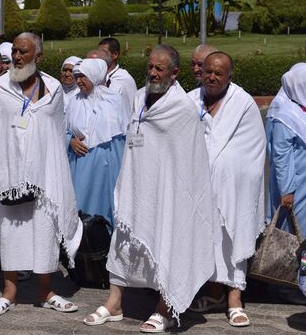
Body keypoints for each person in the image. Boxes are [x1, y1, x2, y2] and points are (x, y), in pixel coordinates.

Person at [84, 45, 215, 333]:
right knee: (123, 243)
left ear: (175, 73)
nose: (153, 73)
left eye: (160, 69)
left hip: (169, 194)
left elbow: (189, 163)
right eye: (150, 67)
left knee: (167, 242)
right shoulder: (140, 98)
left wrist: (177, 194)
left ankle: (165, 307)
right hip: (136, 186)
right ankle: (115, 303)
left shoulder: (182, 107)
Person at [0, 32, 83, 316]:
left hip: (44, 177)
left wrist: (54, 175)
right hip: (9, 177)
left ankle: (46, 291)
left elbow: (56, 133)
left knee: (45, 233)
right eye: (16, 53)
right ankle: (9, 292)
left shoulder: (55, 88)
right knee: (11, 234)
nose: (18, 57)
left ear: (38, 56)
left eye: (24, 52)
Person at [187, 51, 266, 327]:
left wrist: (225, 170)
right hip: (199, 188)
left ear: (229, 76)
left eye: (218, 73)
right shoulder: (190, 100)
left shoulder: (242, 103)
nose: (212, 77)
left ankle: (235, 300)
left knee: (234, 239)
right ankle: (213, 293)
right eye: (208, 71)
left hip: (235, 189)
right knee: (206, 241)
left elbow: (253, 149)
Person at [266, 63, 306, 242]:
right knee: (298, 233)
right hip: (298, 187)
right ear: (301, 84)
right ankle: (302, 269)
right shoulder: (283, 115)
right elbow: (281, 155)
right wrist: (287, 190)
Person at [66, 58, 129, 227]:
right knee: (80, 207)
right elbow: (62, 130)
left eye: (82, 76)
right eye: (76, 76)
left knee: (108, 207)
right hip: (81, 166)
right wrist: (70, 141)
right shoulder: (74, 101)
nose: (78, 81)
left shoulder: (113, 100)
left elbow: (122, 134)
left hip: (108, 166)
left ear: (94, 75)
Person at [98, 37, 137, 114]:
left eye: (103, 53)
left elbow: (131, 107)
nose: (99, 56)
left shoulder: (124, 79)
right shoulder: (98, 76)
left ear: (115, 54)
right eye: (99, 53)